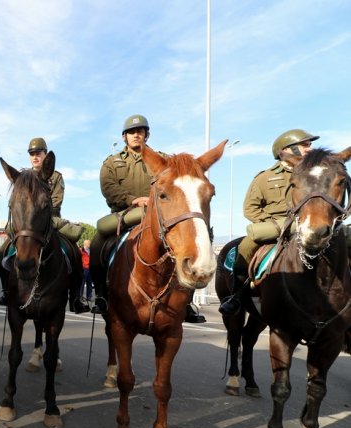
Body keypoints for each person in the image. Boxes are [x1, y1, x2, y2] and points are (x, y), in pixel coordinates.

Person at [91, 114, 206, 322]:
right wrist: (134, 200)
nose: (136, 135)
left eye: (140, 131)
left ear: (146, 135)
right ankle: (101, 295)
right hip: (124, 213)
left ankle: (185, 302)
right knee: (99, 240)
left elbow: (175, 184)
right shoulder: (112, 162)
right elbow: (108, 188)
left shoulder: (163, 160)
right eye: (132, 132)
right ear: (124, 137)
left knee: (187, 240)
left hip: (158, 214)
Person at [219, 128, 319, 315]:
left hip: (308, 225)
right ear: (287, 149)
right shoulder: (264, 178)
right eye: (305, 145)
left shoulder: (314, 174)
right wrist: (273, 225)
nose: (309, 149)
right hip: (276, 227)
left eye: (309, 145)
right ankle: (237, 296)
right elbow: (250, 208)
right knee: (245, 248)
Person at [0, 137, 89, 314]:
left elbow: (56, 201)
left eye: (38, 153)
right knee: (4, 250)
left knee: (74, 251)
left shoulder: (56, 176)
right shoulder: (24, 177)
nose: (35, 157)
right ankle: (6, 291)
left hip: (49, 219)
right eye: (32, 154)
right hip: (27, 221)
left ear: (46, 154)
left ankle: (76, 297)